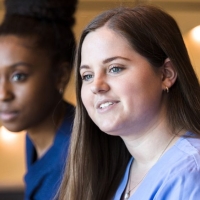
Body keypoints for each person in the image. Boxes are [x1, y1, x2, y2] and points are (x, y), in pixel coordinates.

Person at [58, 5, 200, 200]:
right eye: (87, 75)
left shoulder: (191, 174)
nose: (96, 86)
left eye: (115, 68)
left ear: (166, 74)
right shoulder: (123, 170)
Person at [0, 0, 77, 199]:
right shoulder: (35, 137)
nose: (3, 94)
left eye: (19, 76)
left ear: (61, 75)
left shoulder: (77, 159)